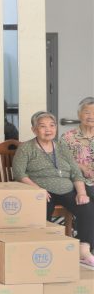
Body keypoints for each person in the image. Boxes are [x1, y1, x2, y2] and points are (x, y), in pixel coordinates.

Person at [13, 111, 94, 267]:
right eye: (42, 126)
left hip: (67, 189)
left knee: (88, 207)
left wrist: (82, 192)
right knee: (41, 209)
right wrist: (37, 190)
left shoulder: (61, 147)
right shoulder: (26, 148)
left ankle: (83, 250)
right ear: (34, 130)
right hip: (42, 191)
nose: (48, 129)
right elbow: (19, 173)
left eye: (51, 125)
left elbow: (76, 172)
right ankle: (43, 250)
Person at [63, 97, 94, 200]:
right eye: (87, 112)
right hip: (81, 182)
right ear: (79, 114)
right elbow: (61, 162)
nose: (91, 116)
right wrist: (81, 166)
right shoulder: (67, 137)